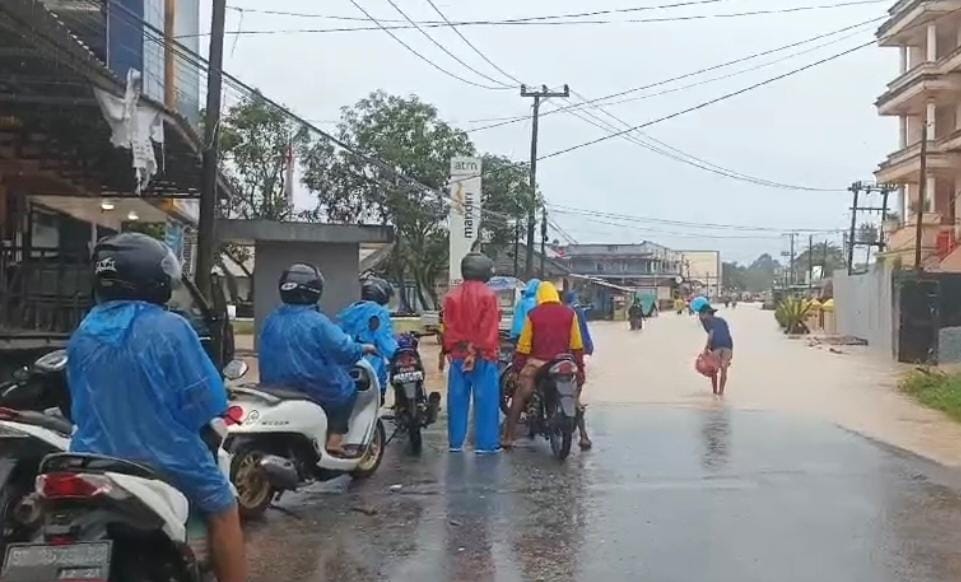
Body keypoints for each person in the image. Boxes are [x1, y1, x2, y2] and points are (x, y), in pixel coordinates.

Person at [67, 233, 246, 582]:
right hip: (167, 457)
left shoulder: (84, 331)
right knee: (225, 509)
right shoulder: (171, 328)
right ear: (154, 279)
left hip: (93, 456)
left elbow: (77, 400)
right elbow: (206, 402)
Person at [260, 263, 377, 456]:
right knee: (347, 389)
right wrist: (363, 348)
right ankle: (334, 440)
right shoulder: (317, 321)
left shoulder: (272, 319)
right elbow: (343, 350)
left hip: (272, 384)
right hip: (309, 384)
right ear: (315, 290)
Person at [503, 282, 586, 449]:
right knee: (573, 396)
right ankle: (584, 436)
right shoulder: (570, 313)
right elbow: (577, 345)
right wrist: (580, 369)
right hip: (564, 362)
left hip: (538, 363)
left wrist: (517, 370)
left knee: (520, 393)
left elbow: (524, 346)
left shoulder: (534, 314)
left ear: (540, 296)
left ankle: (508, 437)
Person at [441, 253, 501, 453]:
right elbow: (488, 330)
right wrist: (474, 352)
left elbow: (447, 327)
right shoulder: (488, 295)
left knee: (456, 399)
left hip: (457, 356)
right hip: (483, 356)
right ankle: (486, 445)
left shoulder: (451, 296)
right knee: (486, 401)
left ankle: (455, 443)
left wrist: (449, 350)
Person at [337, 277, 399, 399]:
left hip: (347, 369)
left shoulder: (348, 312)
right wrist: (399, 354)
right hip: (371, 370)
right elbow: (385, 342)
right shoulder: (378, 312)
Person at [564, 290, 594, 449]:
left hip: (560, 355)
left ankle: (581, 433)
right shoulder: (578, 311)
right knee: (575, 396)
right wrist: (588, 348)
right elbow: (584, 333)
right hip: (576, 355)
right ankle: (583, 435)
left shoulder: (565, 312)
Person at [692, 296, 734, 396]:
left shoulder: (707, 322)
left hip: (717, 345)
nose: (700, 316)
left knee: (713, 370)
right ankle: (721, 392)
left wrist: (706, 348)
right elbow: (727, 334)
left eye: (701, 314)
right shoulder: (722, 320)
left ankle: (715, 392)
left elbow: (711, 334)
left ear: (705, 314)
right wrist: (731, 352)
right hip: (728, 345)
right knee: (724, 370)